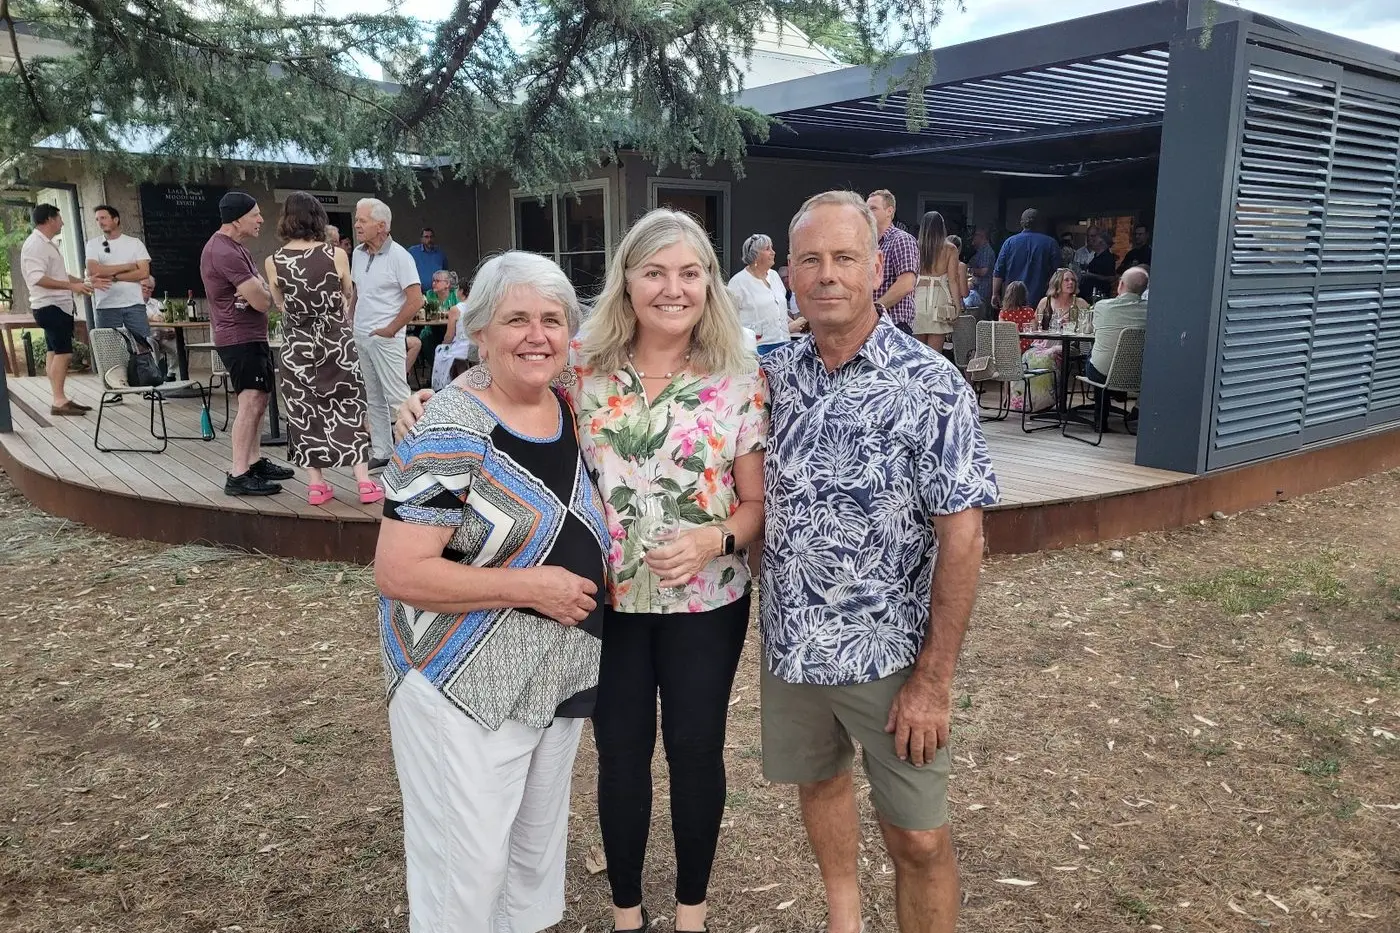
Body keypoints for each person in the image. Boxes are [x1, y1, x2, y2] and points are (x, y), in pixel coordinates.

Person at [398, 209, 768, 933]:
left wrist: (715, 539)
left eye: (689, 273)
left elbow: (755, 504)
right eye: (654, 272)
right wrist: (430, 401)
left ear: (709, 285)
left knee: (697, 753)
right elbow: (501, 376)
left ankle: (692, 912)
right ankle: (627, 913)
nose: (672, 288)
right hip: (606, 602)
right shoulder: (583, 365)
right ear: (626, 281)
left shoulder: (740, 374)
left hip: (708, 603)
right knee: (620, 753)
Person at [763, 190, 999, 933]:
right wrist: (463, 389)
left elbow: (963, 539)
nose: (826, 273)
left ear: (876, 269)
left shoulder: (931, 386)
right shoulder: (767, 377)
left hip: (890, 657)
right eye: (810, 259)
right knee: (820, 783)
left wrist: (933, 680)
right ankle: (846, 921)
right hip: (791, 645)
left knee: (919, 836)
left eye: (844, 258)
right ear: (790, 275)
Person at [376, 250, 607, 932]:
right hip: (457, 680)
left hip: (553, 672)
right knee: (464, 878)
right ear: (479, 331)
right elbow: (400, 571)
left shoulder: (567, 404)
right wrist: (531, 585)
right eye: (516, 319)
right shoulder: (450, 424)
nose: (537, 334)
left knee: (529, 867)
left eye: (552, 319)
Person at [264, 192, 381, 507]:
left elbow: (280, 304)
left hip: (298, 346)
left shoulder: (273, 261)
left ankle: (316, 484)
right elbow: (345, 294)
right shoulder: (336, 254)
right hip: (336, 343)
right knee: (349, 406)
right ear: (318, 218)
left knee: (304, 411)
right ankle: (363, 481)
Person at [201, 191, 296, 495]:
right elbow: (260, 299)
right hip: (238, 337)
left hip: (252, 336)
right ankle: (238, 474)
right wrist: (262, 293)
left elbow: (260, 290)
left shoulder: (236, 247)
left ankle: (253, 462)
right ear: (237, 218)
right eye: (255, 214)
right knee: (250, 401)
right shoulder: (223, 251)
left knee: (260, 399)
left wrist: (260, 291)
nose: (261, 219)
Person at [350, 198, 424, 470]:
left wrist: (391, 329)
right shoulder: (358, 253)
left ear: (381, 226)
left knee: (397, 398)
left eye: (363, 220)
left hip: (385, 338)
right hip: (361, 335)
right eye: (357, 219)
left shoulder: (400, 257)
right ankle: (382, 451)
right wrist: (350, 319)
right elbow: (358, 290)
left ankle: (413, 453)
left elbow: (416, 300)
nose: (357, 224)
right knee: (373, 397)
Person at [20, 203, 100, 415]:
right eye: (59, 218)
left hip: (55, 306)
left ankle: (60, 397)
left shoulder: (46, 244)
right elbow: (37, 278)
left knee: (54, 351)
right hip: (50, 306)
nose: (62, 222)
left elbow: (59, 275)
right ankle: (58, 400)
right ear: (49, 219)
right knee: (64, 353)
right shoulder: (35, 245)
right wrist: (71, 286)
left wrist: (83, 283)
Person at [1016, 268, 1090, 412]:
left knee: (1050, 356)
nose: (1070, 283)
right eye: (1066, 280)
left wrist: (1077, 324)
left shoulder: (1080, 303)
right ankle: (1031, 401)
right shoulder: (1046, 301)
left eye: (1073, 280)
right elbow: (1034, 326)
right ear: (1057, 282)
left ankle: (1048, 400)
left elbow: (1090, 325)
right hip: (1043, 343)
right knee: (1027, 357)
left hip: (1069, 345)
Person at [1086, 266, 1150, 430]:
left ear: (1120, 285)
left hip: (1102, 372)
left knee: (1094, 356)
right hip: (1136, 373)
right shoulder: (1151, 310)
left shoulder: (1102, 306)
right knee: (1108, 358)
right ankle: (1119, 392)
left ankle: (1100, 420)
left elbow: (1092, 329)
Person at [85, 205, 152, 340]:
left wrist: (112, 277)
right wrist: (128, 266)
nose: (100, 222)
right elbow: (93, 270)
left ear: (116, 219)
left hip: (134, 304)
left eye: (103, 218)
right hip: (106, 305)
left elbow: (144, 273)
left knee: (143, 347)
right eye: (97, 219)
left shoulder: (134, 243)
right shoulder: (93, 244)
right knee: (110, 350)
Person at [728, 233, 802, 355]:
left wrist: (792, 323)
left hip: (784, 343)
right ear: (755, 254)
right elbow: (729, 319)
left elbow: (778, 309)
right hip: (756, 348)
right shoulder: (738, 282)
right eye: (768, 249)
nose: (773, 252)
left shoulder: (774, 276)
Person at [866, 190, 919, 333]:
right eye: (866, 209)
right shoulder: (870, 244)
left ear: (889, 211)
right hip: (871, 325)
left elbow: (907, 283)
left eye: (873, 208)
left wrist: (874, 309)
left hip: (894, 324)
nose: (868, 213)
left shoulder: (901, 239)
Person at [912, 211, 964, 351]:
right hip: (940, 299)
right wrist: (957, 304)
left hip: (918, 298)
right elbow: (953, 280)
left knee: (918, 354)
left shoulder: (914, 246)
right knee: (935, 356)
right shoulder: (950, 249)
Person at [992, 208, 1059, 310]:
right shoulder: (1050, 243)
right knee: (1039, 325)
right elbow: (1058, 274)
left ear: (1021, 223)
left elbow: (998, 271)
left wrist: (995, 293)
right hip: (1040, 299)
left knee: (1011, 326)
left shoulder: (1009, 243)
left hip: (1013, 299)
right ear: (1040, 223)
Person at [430, 288, 475, 391]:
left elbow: (449, 336)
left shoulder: (455, 309)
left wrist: (443, 344)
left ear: (461, 291)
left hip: (462, 348)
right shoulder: (478, 307)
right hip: (477, 346)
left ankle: (442, 386)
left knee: (442, 351)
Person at [141, 275, 178, 365]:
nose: (146, 289)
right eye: (143, 286)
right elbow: (136, 317)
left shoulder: (157, 303)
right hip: (145, 337)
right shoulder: (133, 303)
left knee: (178, 346)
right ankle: (155, 373)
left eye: (150, 287)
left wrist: (171, 330)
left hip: (162, 335)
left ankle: (172, 374)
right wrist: (152, 318)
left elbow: (165, 318)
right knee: (151, 344)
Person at [997, 281, 1037, 354]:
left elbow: (1001, 331)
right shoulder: (1029, 311)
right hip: (1027, 348)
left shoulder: (1004, 313)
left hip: (1009, 348)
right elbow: (1034, 330)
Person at [1078, 231, 1118, 302]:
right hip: (1088, 291)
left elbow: (1111, 278)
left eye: (1094, 241)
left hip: (1098, 293)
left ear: (1102, 243)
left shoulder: (1108, 258)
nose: (1091, 243)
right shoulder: (1096, 256)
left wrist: (1091, 275)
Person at [407, 225, 448, 292]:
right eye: (426, 237)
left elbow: (445, 272)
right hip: (419, 293)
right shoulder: (413, 252)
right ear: (421, 239)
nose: (429, 240)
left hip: (436, 293)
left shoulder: (441, 254)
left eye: (431, 237)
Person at [968, 229, 995, 319]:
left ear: (981, 237)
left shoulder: (986, 251)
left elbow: (984, 271)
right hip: (978, 291)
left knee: (981, 316)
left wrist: (969, 270)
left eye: (975, 235)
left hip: (982, 290)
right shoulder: (980, 251)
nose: (973, 238)